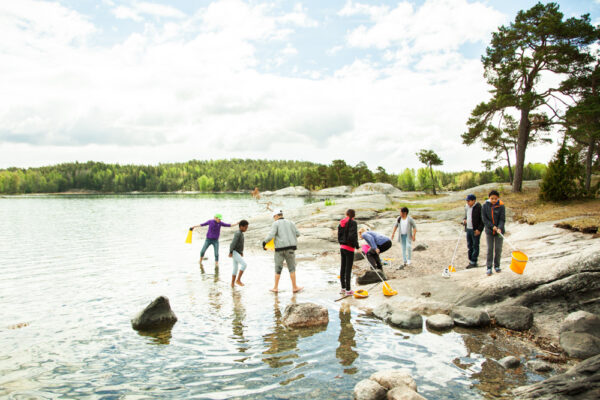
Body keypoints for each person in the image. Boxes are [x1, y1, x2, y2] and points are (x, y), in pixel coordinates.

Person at [263, 209, 303, 293]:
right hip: (290, 249)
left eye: (274, 217)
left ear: (276, 216)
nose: (274, 218)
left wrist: (264, 242)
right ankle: (295, 287)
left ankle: (275, 288)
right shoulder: (291, 223)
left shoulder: (275, 223)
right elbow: (298, 234)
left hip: (279, 250)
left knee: (278, 268)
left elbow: (271, 235)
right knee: (292, 268)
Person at [481, 190, 505, 276]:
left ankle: (497, 266)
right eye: (492, 198)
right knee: (490, 249)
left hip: (499, 231)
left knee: (498, 249)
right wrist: (492, 227)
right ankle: (489, 267)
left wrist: (499, 227)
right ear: (489, 198)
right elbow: (484, 219)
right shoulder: (484, 206)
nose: (494, 200)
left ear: (498, 198)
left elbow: (502, 219)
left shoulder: (501, 206)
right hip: (489, 231)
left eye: (495, 198)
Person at [338, 209, 359, 296]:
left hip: (342, 247)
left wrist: (341, 243)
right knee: (348, 269)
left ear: (346, 214)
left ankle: (343, 288)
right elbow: (353, 236)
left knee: (343, 267)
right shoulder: (353, 223)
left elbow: (339, 235)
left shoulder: (341, 222)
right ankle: (348, 290)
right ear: (354, 216)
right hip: (349, 248)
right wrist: (357, 246)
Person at [463, 194, 484, 269]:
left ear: (473, 201)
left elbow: (482, 220)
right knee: (469, 245)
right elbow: (466, 216)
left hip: (475, 230)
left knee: (475, 245)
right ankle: (471, 260)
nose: (467, 202)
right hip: (468, 229)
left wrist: (479, 229)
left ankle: (474, 261)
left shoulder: (479, 207)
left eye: (469, 201)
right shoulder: (466, 207)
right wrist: (464, 220)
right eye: (467, 201)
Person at [229, 220, 249, 287]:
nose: (246, 229)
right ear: (241, 227)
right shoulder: (238, 233)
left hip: (237, 252)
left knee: (235, 268)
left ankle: (232, 284)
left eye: (247, 227)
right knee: (244, 265)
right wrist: (230, 252)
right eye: (245, 227)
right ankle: (238, 280)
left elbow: (240, 244)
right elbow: (233, 243)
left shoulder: (241, 233)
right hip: (234, 252)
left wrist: (241, 252)